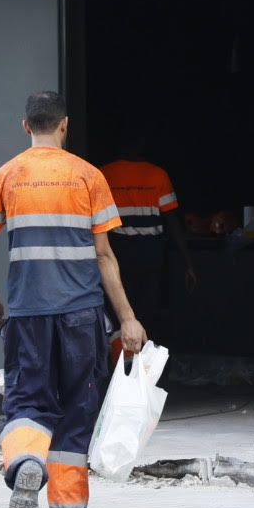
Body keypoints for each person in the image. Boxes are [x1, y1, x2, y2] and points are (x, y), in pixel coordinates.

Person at [0, 91, 147, 508]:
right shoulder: (88, 176)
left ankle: (26, 460)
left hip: (28, 313)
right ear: (64, 125)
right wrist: (127, 317)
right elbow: (105, 256)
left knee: (27, 400)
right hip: (80, 315)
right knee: (76, 406)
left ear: (25, 125)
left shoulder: (6, 175)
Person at [99, 131, 197, 349]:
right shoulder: (157, 175)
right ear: (141, 144)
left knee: (118, 313)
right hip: (149, 254)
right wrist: (188, 262)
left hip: (117, 253)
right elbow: (172, 221)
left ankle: (121, 366)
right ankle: (143, 363)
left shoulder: (104, 174)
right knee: (147, 311)